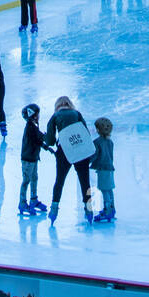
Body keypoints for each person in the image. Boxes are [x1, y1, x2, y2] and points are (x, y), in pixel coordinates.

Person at [44, 96, 95, 224]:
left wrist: (50, 142)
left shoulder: (55, 116)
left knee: (59, 180)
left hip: (64, 151)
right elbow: (86, 134)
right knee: (85, 181)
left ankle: (54, 209)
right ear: (70, 104)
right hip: (81, 150)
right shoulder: (77, 114)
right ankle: (89, 210)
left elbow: (50, 139)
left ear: (57, 106)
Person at [19, 104, 51, 216]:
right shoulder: (29, 127)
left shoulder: (33, 126)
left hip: (33, 157)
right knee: (26, 180)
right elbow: (37, 140)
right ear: (33, 116)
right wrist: (47, 147)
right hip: (28, 159)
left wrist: (47, 140)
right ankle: (22, 203)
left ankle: (33, 199)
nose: (39, 116)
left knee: (34, 178)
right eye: (37, 114)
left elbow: (39, 136)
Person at [91, 117, 116, 223]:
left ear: (97, 130)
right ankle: (111, 209)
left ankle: (107, 211)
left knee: (104, 190)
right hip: (110, 168)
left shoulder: (97, 142)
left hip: (102, 168)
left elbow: (95, 155)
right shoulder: (110, 142)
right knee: (109, 189)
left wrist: (87, 161)